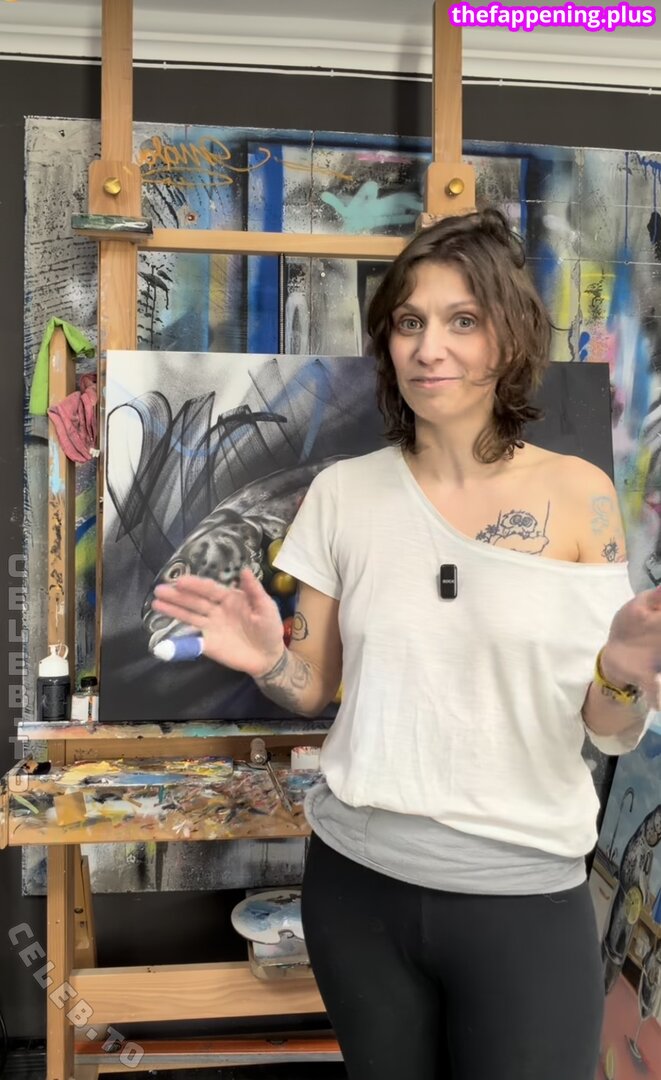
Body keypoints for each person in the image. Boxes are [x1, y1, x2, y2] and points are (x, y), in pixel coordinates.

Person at [151, 208, 659, 1080]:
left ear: (508, 336)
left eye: (462, 320)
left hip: (523, 898)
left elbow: (606, 729)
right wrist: (267, 658)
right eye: (409, 322)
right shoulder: (342, 495)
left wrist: (619, 671)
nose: (431, 348)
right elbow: (312, 688)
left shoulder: (579, 497)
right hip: (358, 890)